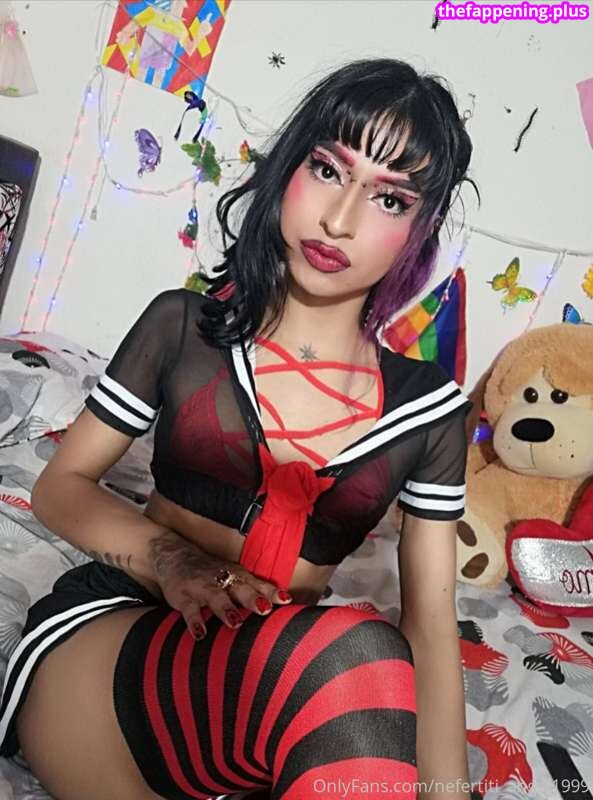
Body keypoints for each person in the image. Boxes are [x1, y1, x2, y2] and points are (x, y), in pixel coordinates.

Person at [0, 58, 478, 800]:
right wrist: (172, 559)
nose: (340, 219)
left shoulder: (431, 411)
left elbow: (432, 626)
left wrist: (448, 792)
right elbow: (61, 488)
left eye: (390, 199)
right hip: (114, 639)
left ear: (420, 229)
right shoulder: (184, 328)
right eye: (328, 169)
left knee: (371, 662)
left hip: (257, 695)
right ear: (289, 169)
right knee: (358, 652)